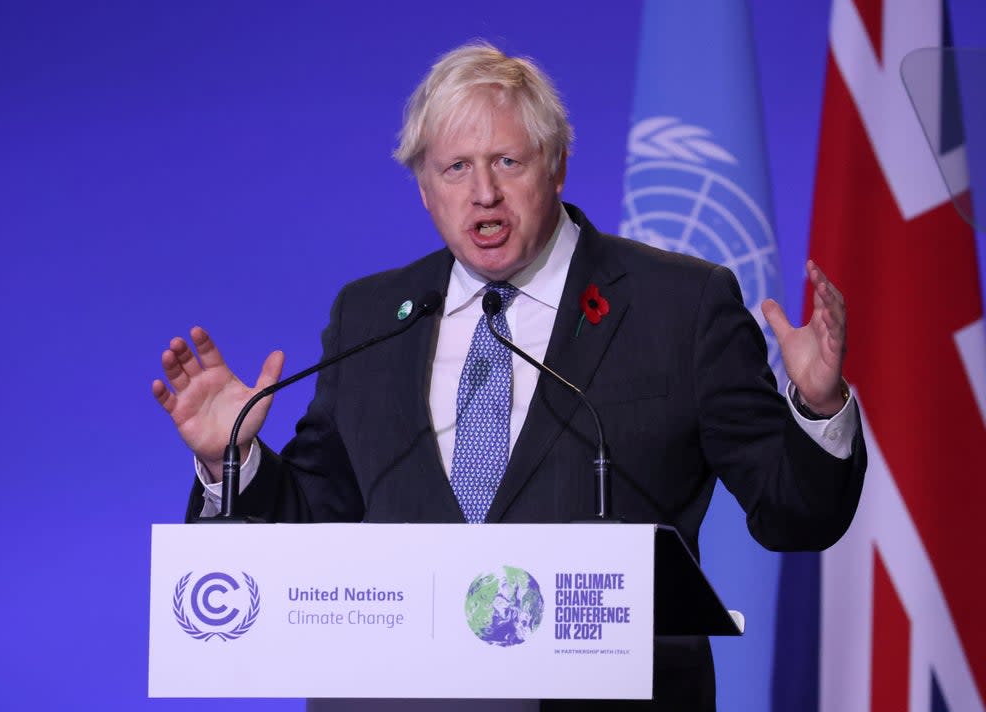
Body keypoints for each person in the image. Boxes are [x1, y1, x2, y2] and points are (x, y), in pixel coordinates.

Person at [153, 42, 865, 712]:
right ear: (423, 188)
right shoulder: (370, 315)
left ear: (556, 165)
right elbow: (315, 530)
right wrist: (234, 458)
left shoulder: (679, 305)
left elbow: (796, 514)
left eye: (508, 162)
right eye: (455, 168)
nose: (483, 193)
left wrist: (818, 404)